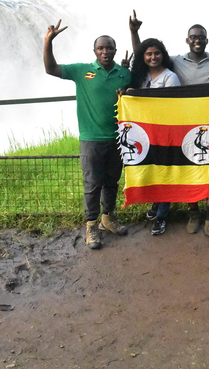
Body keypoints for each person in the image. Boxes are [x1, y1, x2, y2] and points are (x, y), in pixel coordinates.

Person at [128, 10, 209, 243]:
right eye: (193, 37)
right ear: (187, 40)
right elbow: (146, 58)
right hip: (185, 125)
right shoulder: (177, 61)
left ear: (206, 40)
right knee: (189, 168)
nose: (197, 40)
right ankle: (194, 213)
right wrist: (134, 33)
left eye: (201, 37)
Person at [43, 20, 131, 250]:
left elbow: (135, 92)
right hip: (91, 139)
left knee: (112, 181)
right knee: (92, 184)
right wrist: (48, 42)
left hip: (117, 138)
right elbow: (50, 69)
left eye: (109, 47)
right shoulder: (82, 71)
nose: (105, 51)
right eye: (101, 48)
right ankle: (91, 225)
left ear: (115, 50)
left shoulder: (124, 73)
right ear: (94, 51)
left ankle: (108, 218)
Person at [128, 37, 181, 236]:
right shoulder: (141, 77)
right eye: (149, 54)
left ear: (163, 55)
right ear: (143, 57)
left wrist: (138, 95)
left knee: (164, 171)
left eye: (157, 53)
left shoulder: (170, 77)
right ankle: (157, 201)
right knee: (151, 169)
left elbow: (170, 104)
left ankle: (162, 215)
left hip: (165, 132)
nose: (153, 57)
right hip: (144, 133)